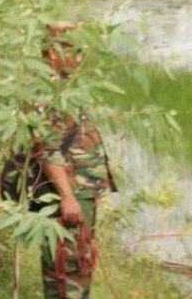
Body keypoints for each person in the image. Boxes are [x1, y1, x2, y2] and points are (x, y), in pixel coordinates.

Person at [33, 23, 115, 299]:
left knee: (79, 265)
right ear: (53, 52)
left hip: (79, 195)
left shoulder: (61, 88)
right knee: (65, 272)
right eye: (74, 51)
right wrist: (67, 197)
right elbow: (46, 148)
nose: (80, 58)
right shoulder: (45, 92)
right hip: (66, 198)